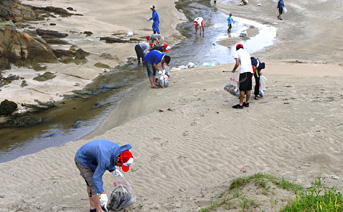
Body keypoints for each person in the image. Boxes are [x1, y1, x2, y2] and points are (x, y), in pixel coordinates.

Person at [75, 139, 134, 212]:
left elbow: (111, 158)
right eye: (121, 165)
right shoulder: (105, 159)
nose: (121, 166)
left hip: (94, 159)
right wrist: (102, 194)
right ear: (118, 158)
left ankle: (93, 206)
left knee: (91, 183)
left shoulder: (118, 150)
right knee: (93, 185)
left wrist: (113, 170)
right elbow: (96, 178)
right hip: (83, 160)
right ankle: (98, 209)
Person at [231, 44, 253, 109]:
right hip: (250, 71)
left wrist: (233, 70)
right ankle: (246, 102)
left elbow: (237, 63)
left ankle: (240, 104)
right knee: (248, 88)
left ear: (236, 48)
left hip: (244, 71)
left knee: (242, 88)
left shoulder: (237, 52)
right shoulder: (247, 52)